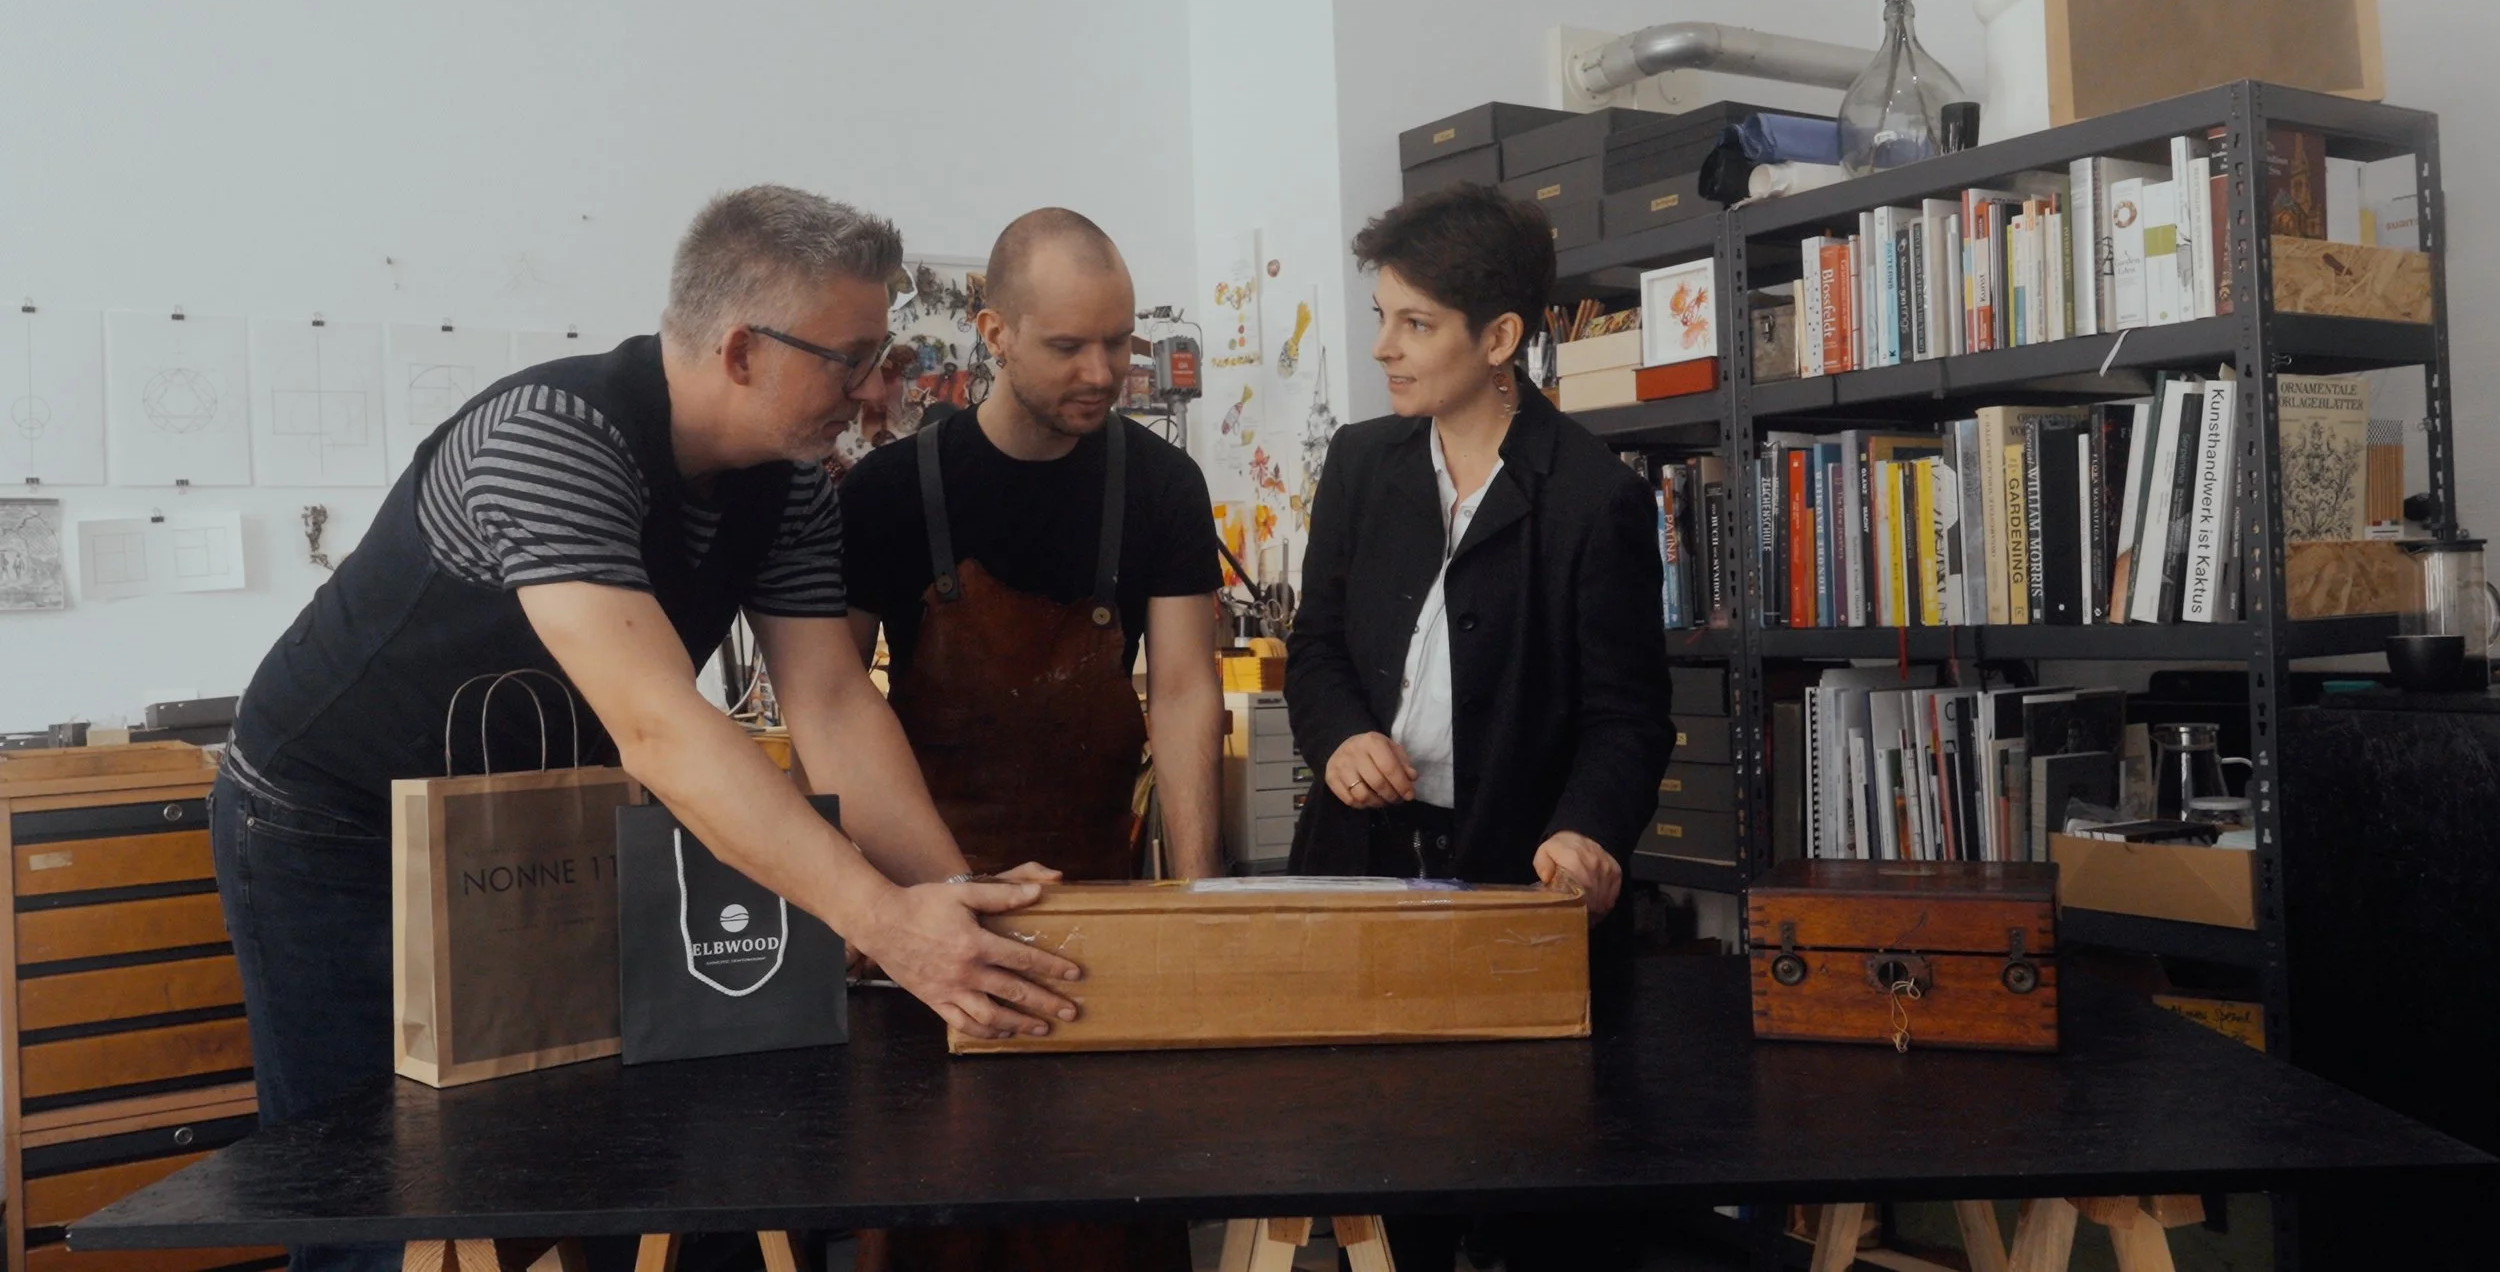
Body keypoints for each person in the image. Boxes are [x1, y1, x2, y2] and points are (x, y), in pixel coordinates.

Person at [216, 186, 1082, 1272]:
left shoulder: (792, 486)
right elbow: (658, 725)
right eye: (852, 360)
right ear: (740, 350)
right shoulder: (549, 438)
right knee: (378, 1194)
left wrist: (952, 905)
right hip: (330, 828)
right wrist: (882, 919)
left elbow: (830, 700)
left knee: (606, 1157)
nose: (875, 392)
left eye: (885, 355)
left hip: (527, 819)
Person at [1284, 183, 1674, 1272]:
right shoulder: (1360, 463)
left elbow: (1628, 716)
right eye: (1382, 317)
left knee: (1532, 1191)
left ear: (1498, 339)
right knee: (1381, 1183)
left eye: (1414, 324)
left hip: (1516, 882)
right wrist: (1341, 737)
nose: (1383, 348)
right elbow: (1313, 649)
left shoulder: (1594, 497)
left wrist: (1587, 830)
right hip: (1361, 870)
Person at [837, 209, 1224, 1272]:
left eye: (1120, 341)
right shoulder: (887, 494)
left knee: (1108, 1209)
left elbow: (1184, 689)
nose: (1103, 372)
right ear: (994, 332)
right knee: (936, 1212)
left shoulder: (1161, 486)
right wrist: (861, 903)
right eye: (1068, 345)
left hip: (1102, 912)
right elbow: (830, 702)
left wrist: (1200, 899)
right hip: (926, 919)